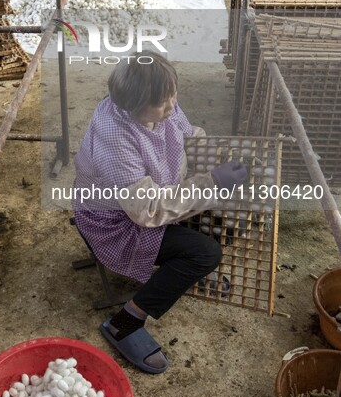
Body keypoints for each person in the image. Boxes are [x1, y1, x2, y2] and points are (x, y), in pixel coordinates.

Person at [72, 55, 247, 374]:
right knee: (206, 253)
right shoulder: (116, 137)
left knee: (229, 216)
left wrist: (210, 155)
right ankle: (124, 323)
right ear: (134, 106)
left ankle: (180, 273)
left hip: (148, 198)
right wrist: (210, 182)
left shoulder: (158, 99)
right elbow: (146, 211)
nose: (171, 105)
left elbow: (184, 131)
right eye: (161, 102)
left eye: (173, 94)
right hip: (114, 221)